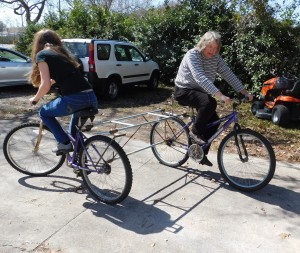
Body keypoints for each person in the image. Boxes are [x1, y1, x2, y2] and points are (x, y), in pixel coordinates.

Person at [174, 31, 253, 166]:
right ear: (203, 44)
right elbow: (200, 77)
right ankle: (195, 134)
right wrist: (220, 95)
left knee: (215, 121)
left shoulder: (216, 58)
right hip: (183, 90)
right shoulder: (193, 55)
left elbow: (228, 74)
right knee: (209, 102)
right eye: (210, 47)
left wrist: (244, 92)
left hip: (199, 92)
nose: (212, 51)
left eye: (216, 48)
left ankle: (199, 153)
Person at [29, 29, 98, 154]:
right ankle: (81, 163)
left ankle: (64, 143)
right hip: (91, 97)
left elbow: (45, 86)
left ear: (38, 43)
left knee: (44, 112)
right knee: (74, 134)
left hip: (74, 99)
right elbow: (65, 77)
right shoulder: (63, 54)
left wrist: (35, 99)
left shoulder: (42, 55)